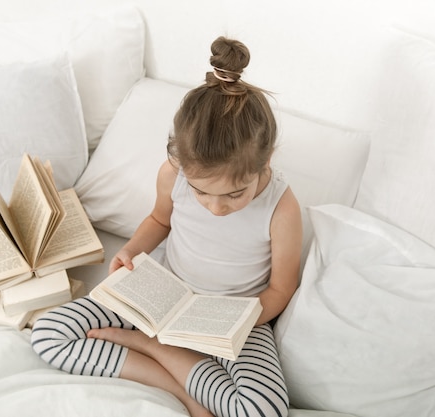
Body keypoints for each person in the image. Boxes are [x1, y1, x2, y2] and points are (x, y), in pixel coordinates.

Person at [31, 36, 302, 417]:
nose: (216, 208)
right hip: (164, 294)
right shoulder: (172, 173)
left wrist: (232, 325)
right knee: (49, 333)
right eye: (201, 192)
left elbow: (281, 288)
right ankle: (183, 388)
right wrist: (130, 251)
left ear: (266, 161)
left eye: (235, 194)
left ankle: (156, 348)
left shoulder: (281, 208)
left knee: (263, 411)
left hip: (239, 316)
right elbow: (160, 219)